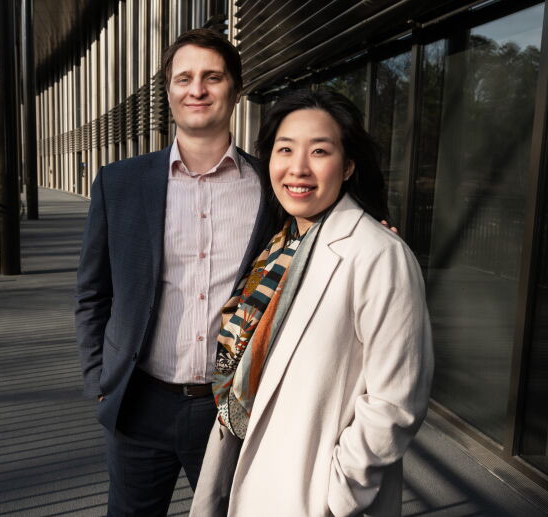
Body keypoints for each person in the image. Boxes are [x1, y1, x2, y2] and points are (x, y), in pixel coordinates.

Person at [190, 89, 434, 517]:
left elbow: (396, 400)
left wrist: (338, 495)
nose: (298, 167)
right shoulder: (280, 245)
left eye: (319, 151)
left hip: (309, 490)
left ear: (348, 165)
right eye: (285, 149)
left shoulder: (378, 254)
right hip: (250, 458)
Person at [75, 29, 276, 516]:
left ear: (235, 89)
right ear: (168, 92)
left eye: (212, 77)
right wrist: (99, 378)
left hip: (232, 408)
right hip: (140, 400)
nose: (197, 89)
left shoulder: (273, 188)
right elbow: (92, 293)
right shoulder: (119, 183)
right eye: (183, 78)